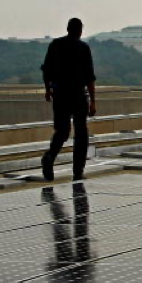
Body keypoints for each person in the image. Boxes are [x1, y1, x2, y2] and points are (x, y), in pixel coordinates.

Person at [40, 18, 96, 181]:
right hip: (78, 95)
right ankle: (78, 171)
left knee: (62, 131)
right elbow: (90, 78)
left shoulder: (55, 45)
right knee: (81, 133)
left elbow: (46, 70)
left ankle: (50, 157)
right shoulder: (83, 48)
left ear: (67, 29)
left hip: (60, 95)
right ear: (80, 31)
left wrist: (47, 90)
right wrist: (92, 101)